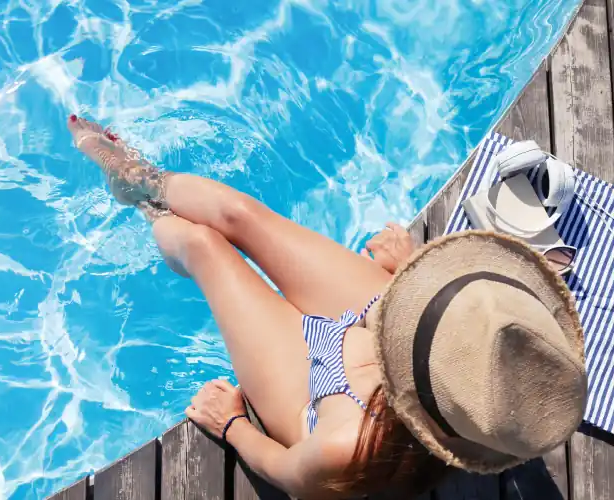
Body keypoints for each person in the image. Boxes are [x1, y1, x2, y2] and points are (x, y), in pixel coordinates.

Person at [66, 115, 589, 498]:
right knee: (240, 214)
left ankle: (144, 209)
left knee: (204, 247)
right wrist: (413, 279)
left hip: (322, 399)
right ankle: (142, 180)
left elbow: (289, 472)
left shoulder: (348, 448)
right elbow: (465, 325)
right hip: (387, 328)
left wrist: (234, 427)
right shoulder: (508, 349)